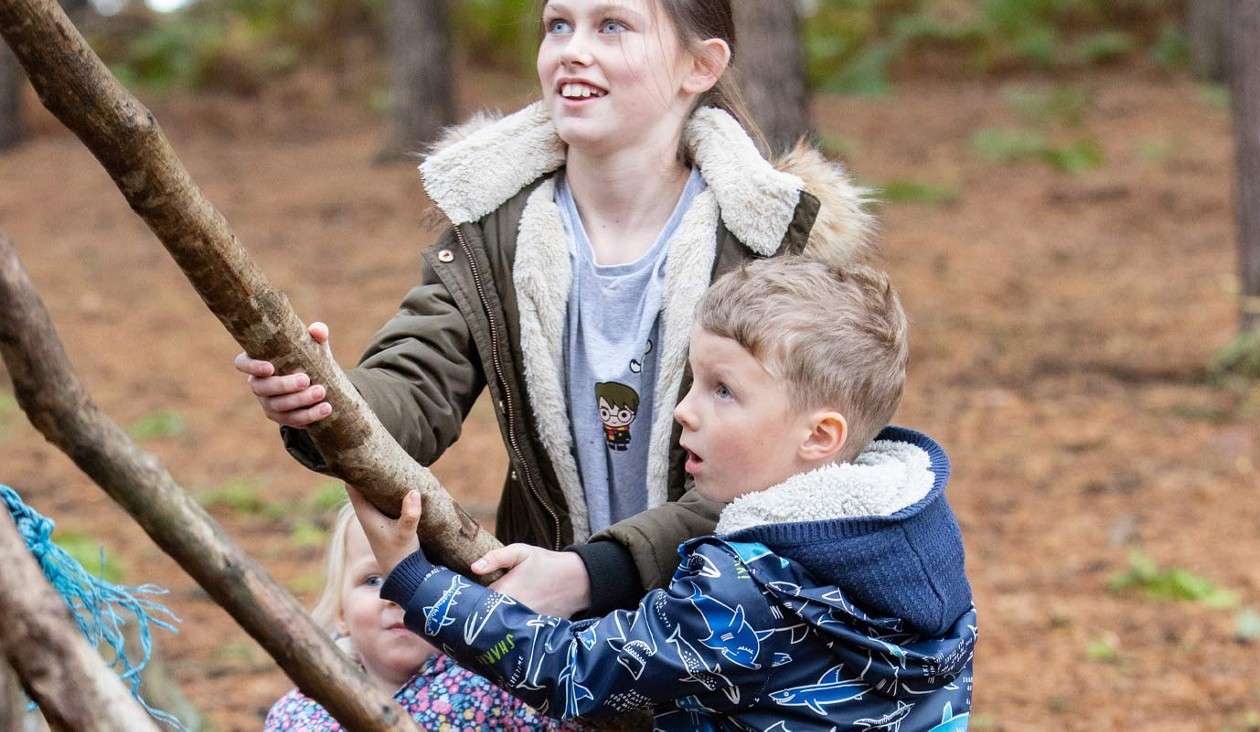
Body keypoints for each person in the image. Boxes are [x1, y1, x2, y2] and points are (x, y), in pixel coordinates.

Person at [233, 0, 874, 620]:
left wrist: (596, 572)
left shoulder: (765, 246)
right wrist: (326, 399)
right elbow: (415, 385)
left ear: (700, 66)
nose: (573, 51)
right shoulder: (494, 233)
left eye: (613, 26)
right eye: (558, 25)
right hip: (554, 640)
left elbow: (787, 478)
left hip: (729, 628)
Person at [356, 258, 978, 730]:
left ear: (819, 436)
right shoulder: (914, 536)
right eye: (693, 381)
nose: (684, 410)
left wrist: (415, 581)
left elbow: (573, 671)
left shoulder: (749, 588)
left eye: (722, 390)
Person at [262, 502, 579, 730]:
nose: (396, 596)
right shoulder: (301, 713)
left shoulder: (494, 684)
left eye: (426, 575)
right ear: (341, 614)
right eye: (372, 580)